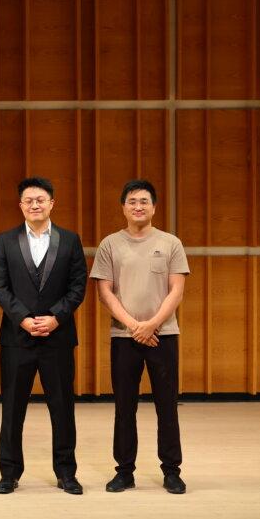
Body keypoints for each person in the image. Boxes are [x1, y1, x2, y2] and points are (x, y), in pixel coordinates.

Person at [91, 179, 190, 494]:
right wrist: (135, 326)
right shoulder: (110, 244)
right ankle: (124, 471)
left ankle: (172, 471)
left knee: (166, 405)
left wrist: (152, 325)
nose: (138, 206)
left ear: (154, 207)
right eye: (132, 201)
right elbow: (104, 292)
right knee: (124, 407)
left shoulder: (170, 242)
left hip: (164, 335)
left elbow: (177, 290)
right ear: (123, 206)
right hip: (124, 336)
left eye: (144, 201)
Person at [0, 177, 87, 495]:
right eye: (29, 200)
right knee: (12, 409)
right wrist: (24, 319)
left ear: (51, 203)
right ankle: (9, 473)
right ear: (20, 205)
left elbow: (78, 286)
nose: (35, 204)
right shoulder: (5, 240)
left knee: (62, 408)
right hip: (17, 338)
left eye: (41, 199)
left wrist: (57, 318)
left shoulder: (71, 241)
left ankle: (66, 472)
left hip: (57, 338)